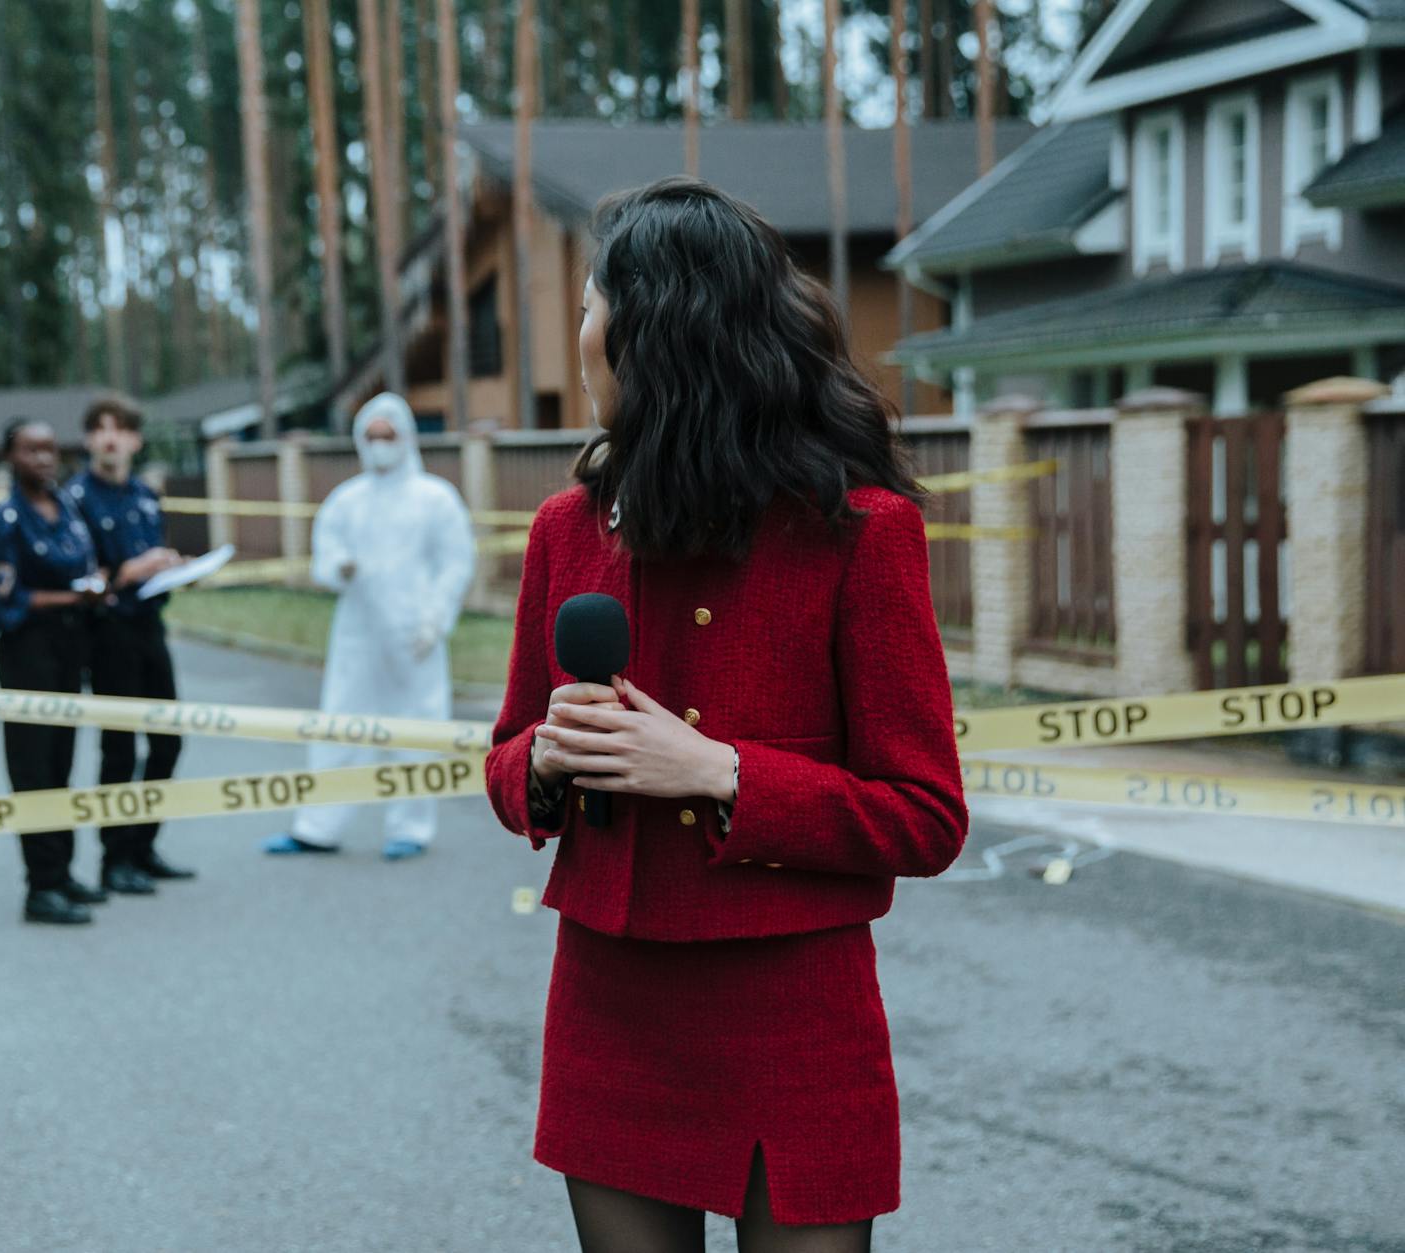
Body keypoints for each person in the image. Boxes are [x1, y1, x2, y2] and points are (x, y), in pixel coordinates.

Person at [483, 178, 968, 1253]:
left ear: (650, 330)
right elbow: (505, 754)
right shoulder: (567, 526)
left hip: (793, 1011)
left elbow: (925, 816)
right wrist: (548, 762)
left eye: (587, 306)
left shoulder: (859, 532)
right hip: (612, 1003)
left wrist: (718, 772)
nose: (579, 334)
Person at [264, 393, 476, 861]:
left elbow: (456, 565)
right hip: (357, 635)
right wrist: (337, 568)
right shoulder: (348, 500)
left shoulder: (435, 499)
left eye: (389, 435)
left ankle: (411, 828)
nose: (380, 445)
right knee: (340, 725)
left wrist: (436, 620)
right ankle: (318, 827)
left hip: (415, 634)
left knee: (416, 731)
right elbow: (325, 554)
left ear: (406, 438)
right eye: (372, 436)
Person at [0, 417, 109, 926]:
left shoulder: (68, 506)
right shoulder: (8, 518)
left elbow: (88, 561)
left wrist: (95, 582)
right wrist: (71, 596)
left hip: (69, 649)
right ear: (10, 456)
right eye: (31, 450)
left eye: (51, 449)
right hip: (27, 652)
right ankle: (40, 887)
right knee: (33, 771)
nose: (44, 459)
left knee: (61, 765)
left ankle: (63, 871)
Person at [66, 395, 194, 893]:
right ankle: (114, 859)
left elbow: (151, 561)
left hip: (149, 627)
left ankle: (144, 846)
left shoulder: (145, 495)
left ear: (136, 440)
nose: (110, 437)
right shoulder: (76, 498)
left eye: (119, 428)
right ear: (89, 440)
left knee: (167, 741)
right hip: (107, 634)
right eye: (99, 429)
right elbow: (80, 576)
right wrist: (129, 572)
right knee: (118, 748)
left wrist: (172, 569)